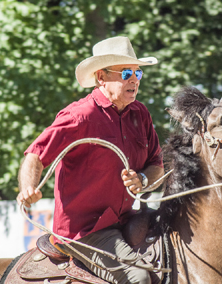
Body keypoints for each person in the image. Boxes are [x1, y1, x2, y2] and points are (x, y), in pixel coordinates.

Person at [16, 36, 164, 284]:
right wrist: (28, 188)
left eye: (137, 74)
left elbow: (157, 165)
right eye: (126, 72)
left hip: (128, 218)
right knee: (138, 278)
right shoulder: (79, 115)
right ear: (101, 78)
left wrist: (143, 179)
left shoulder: (141, 113)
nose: (134, 80)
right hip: (85, 231)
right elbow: (36, 155)